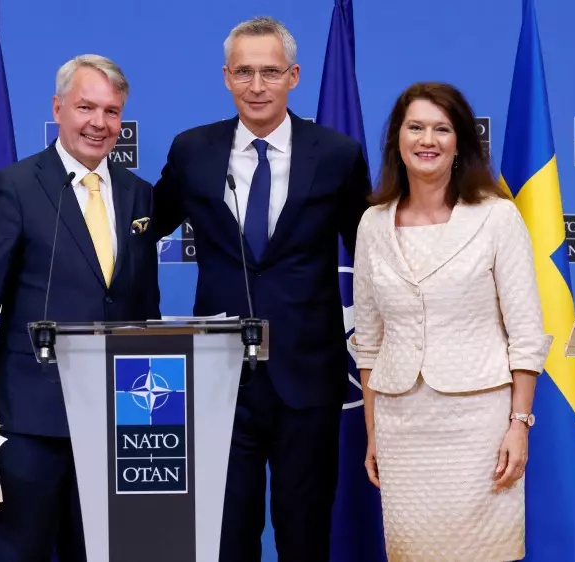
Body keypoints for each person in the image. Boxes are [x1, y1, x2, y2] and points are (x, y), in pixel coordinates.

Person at [150, 16, 372, 561]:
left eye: (270, 72)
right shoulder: (192, 150)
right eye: (243, 72)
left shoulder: (337, 153)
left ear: (293, 76)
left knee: (305, 538)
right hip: (219, 379)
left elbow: (372, 255)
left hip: (308, 378)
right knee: (228, 538)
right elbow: (140, 231)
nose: (256, 86)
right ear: (226, 76)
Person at [0, 55, 160, 562]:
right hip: (31, 420)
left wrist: (152, 409)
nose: (99, 123)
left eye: (111, 111)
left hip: (117, 419)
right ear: (58, 109)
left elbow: (144, 308)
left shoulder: (139, 195)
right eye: (86, 107)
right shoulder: (15, 187)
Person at [351, 81, 552, 561]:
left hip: (479, 427)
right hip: (401, 427)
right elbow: (369, 343)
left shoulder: (497, 218)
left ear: (460, 141)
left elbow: (526, 333)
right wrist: (374, 433)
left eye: (441, 129)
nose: (428, 140)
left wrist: (519, 424)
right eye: (415, 127)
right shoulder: (372, 224)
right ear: (397, 139)